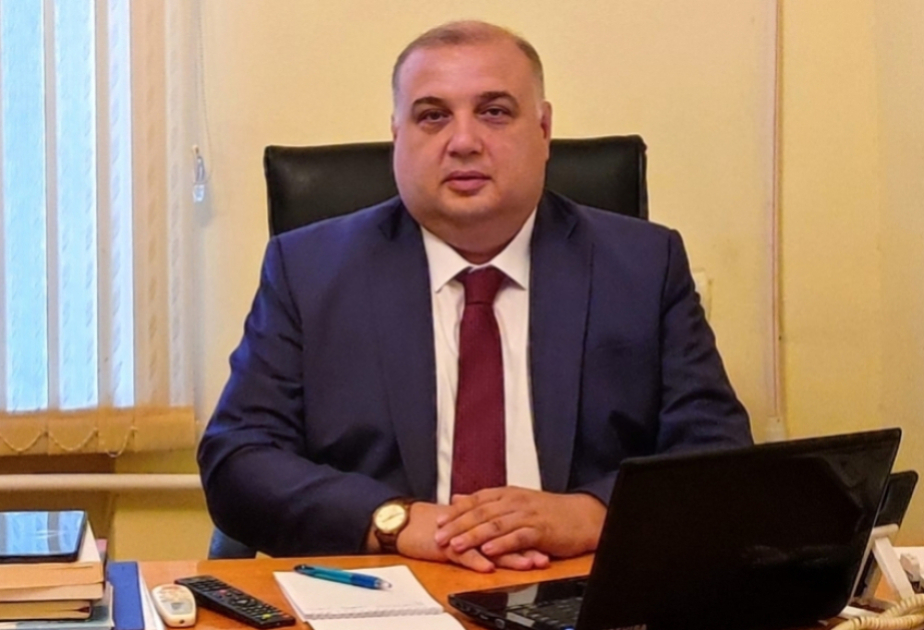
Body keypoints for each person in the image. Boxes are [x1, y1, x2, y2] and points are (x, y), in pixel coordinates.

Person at [198, 20, 752, 572]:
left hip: (579, 584)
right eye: (432, 116)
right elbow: (238, 459)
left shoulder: (643, 265)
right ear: (397, 135)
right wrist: (396, 522)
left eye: (494, 112)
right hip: (383, 587)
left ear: (543, 128)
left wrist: (590, 514)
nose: (463, 142)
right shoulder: (309, 270)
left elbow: (718, 454)